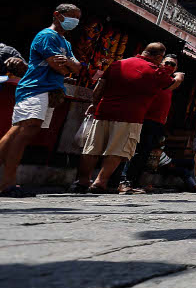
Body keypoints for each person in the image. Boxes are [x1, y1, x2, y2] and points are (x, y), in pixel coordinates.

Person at [75, 43, 182, 193]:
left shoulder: (118, 63)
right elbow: (171, 85)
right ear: (159, 57)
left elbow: (100, 85)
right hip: (130, 116)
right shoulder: (154, 70)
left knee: (92, 148)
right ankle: (100, 182)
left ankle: (83, 180)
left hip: (104, 111)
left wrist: (94, 104)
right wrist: (179, 77)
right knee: (117, 150)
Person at [0, 4, 82, 197]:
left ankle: (7, 181)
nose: (75, 22)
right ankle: (8, 182)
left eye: (77, 19)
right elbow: (59, 67)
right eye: (71, 17)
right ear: (57, 15)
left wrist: (69, 65)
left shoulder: (65, 43)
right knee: (24, 132)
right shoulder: (47, 36)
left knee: (21, 132)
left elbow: (77, 68)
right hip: (35, 88)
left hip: (47, 91)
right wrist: (68, 66)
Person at [120, 54, 185, 194]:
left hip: (157, 122)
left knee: (144, 152)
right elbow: (175, 84)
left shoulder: (168, 79)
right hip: (144, 119)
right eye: (167, 63)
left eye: (173, 65)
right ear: (161, 63)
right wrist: (179, 78)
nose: (169, 66)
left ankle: (133, 181)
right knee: (135, 150)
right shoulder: (158, 76)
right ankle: (124, 180)